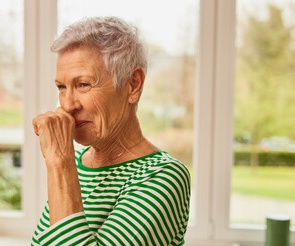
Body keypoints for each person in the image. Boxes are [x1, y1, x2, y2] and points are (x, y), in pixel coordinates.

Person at [31, 16, 191, 246]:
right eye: (61, 87)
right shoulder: (76, 164)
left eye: (83, 84)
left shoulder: (163, 176)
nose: (67, 105)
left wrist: (59, 163)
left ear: (133, 85)